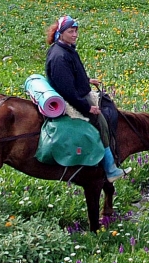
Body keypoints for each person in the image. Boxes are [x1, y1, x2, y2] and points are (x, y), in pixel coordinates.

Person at [45, 15, 124, 182]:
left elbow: (70, 76)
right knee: (101, 122)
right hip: (72, 100)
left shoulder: (65, 48)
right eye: (70, 31)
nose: (75, 35)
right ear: (60, 33)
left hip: (77, 93)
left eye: (75, 31)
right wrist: (87, 108)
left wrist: (87, 81)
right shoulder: (60, 56)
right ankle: (110, 168)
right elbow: (67, 90)